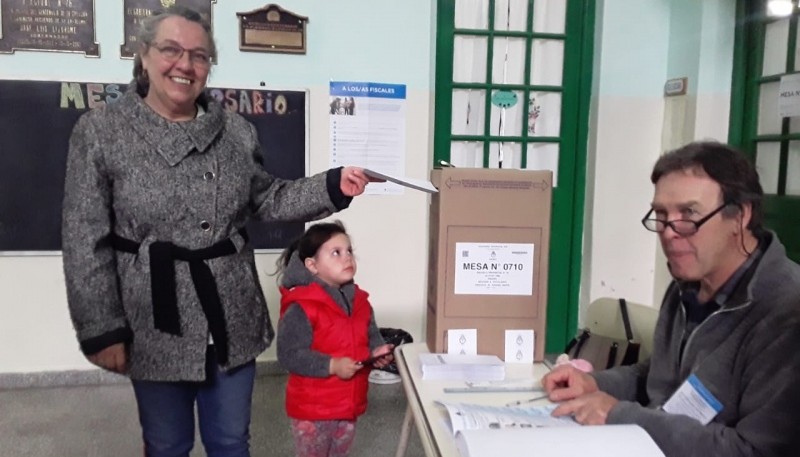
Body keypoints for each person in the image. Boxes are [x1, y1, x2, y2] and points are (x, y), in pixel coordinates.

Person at [61, 6, 372, 457]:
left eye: (200, 55)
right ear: (143, 55)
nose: (185, 65)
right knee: (167, 444)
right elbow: (82, 238)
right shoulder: (101, 131)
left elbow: (269, 198)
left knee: (230, 440)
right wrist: (101, 327)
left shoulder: (236, 132)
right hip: (153, 315)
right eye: (171, 50)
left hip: (231, 310)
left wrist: (332, 185)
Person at [542, 142, 800, 457]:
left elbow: (753, 451)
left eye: (689, 213)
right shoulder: (687, 283)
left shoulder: (786, 311)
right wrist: (595, 384)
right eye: (662, 214)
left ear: (741, 216)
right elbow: (660, 377)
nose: (669, 232)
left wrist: (620, 415)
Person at [275, 221, 393, 457]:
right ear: (312, 265)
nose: (347, 258)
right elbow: (289, 355)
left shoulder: (360, 301)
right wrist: (332, 365)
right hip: (313, 411)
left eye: (349, 251)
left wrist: (378, 350)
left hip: (348, 404)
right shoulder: (302, 307)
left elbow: (371, 334)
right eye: (336, 253)